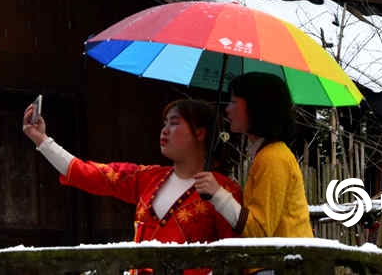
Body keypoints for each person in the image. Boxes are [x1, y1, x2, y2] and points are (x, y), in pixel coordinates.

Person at [23, 98, 242, 270]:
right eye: (164, 124)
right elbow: (89, 173)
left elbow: (236, 257)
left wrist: (219, 196)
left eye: (174, 123)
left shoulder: (224, 191)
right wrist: (42, 141)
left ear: (200, 133)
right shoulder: (148, 177)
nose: (164, 130)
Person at [193, 72, 313, 239]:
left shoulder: (273, 158)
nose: (227, 109)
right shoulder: (267, 154)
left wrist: (218, 194)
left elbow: (259, 231)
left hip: (286, 263)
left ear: (256, 107)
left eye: (234, 102)